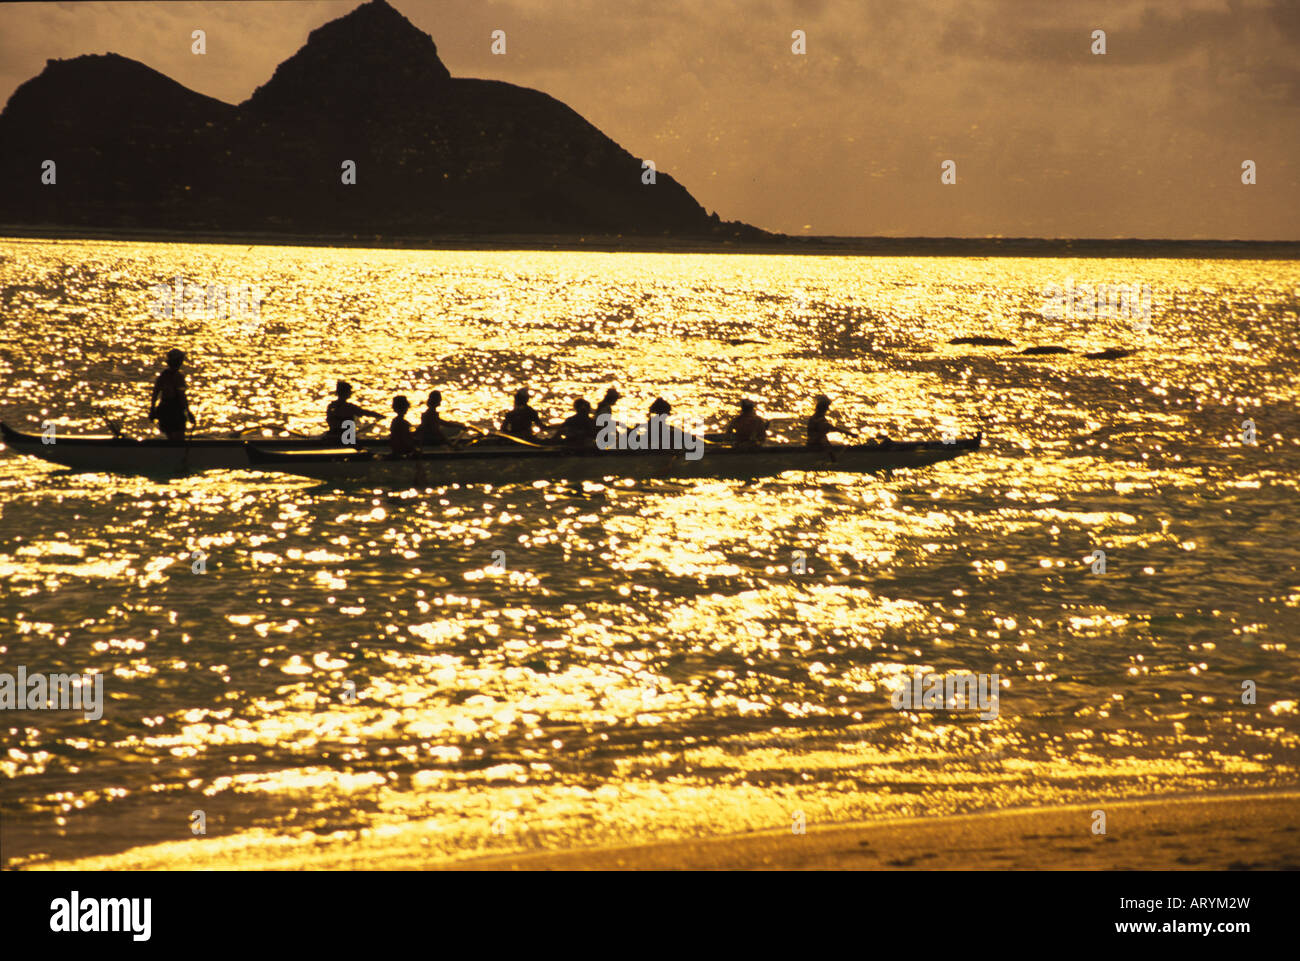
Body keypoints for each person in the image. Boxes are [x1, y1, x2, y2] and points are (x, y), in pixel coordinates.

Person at [148, 348, 196, 442]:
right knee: (178, 438)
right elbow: (182, 396)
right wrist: (188, 412)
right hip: (174, 411)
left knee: (171, 438)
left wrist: (153, 409)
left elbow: (155, 393)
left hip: (164, 410)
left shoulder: (163, 375)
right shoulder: (178, 377)